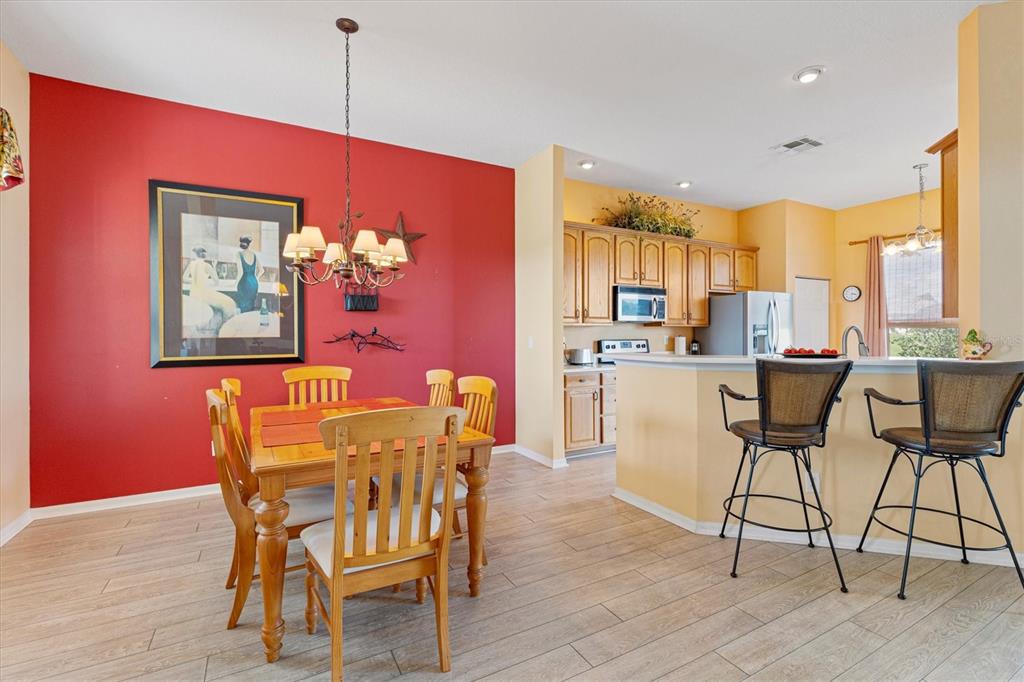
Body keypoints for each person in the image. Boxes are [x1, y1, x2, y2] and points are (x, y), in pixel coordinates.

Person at [183, 246, 237, 323]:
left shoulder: (191, 264)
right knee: (230, 303)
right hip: (203, 294)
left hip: (194, 293)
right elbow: (216, 281)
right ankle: (225, 325)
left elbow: (184, 278)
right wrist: (214, 267)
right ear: (205, 256)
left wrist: (195, 281)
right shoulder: (207, 266)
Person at [235, 235, 263, 313]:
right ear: (249, 244)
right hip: (254, 283)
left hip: (244, 283)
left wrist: (235, 283)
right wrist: (256, 278)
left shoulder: (239, 254)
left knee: (243, 309)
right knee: (251, 308)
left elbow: (240, 273)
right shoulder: (254, 255)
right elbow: (261, 270)